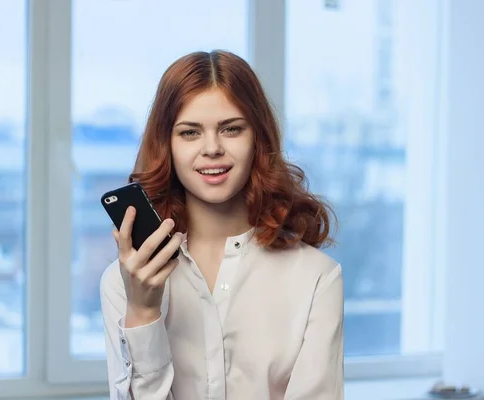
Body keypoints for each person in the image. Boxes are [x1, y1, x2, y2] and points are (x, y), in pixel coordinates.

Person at [100, 50, 344, 400]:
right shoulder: (121, 284)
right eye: (189, 133)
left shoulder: (317, 278)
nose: (212, 148)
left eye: (231, 129)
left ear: (257, 139)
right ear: (166, 145)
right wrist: (142, 312)